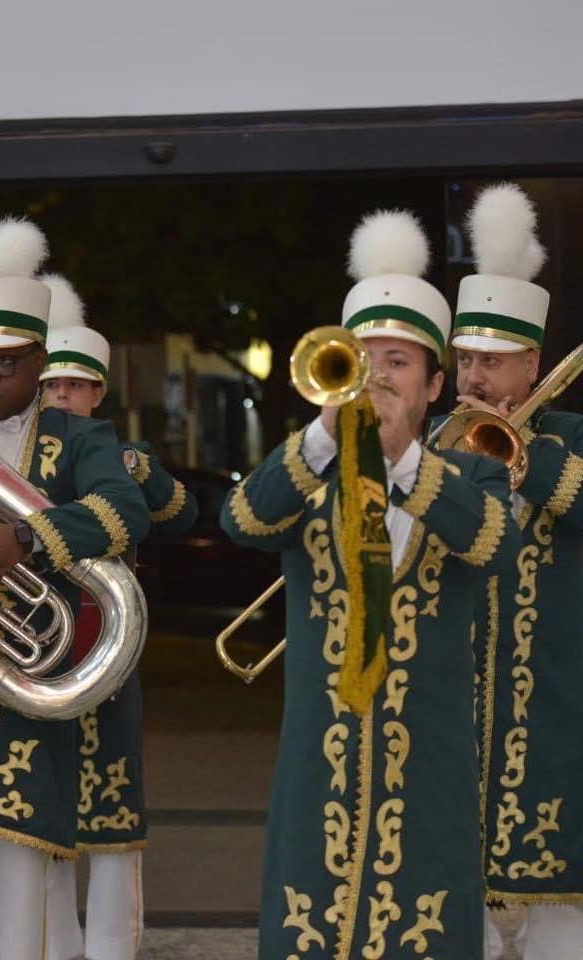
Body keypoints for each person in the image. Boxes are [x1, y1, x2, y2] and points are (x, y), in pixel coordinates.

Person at [220, 209, 520, 959]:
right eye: (365, 359)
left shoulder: (473, 472)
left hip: (429, 768)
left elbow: (495, 545)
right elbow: (242, 520)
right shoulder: (308, 471)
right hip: (319, 764)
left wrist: (405, 463)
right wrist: (327, 433)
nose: (379, 377)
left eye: (398, 363)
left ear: (434, 384)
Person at [0, 219, 150, 960]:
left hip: (27, 681)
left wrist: (27, 536)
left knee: (24, 875)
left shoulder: (79, 440)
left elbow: (124, 512)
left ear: (39, 362)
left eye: (5, 365)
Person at [37, 275, 198, 960]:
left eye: (74, 386)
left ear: (98, 394)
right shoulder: (26, 452)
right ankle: (51, 945)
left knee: (111, 794)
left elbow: (182, 513)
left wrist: (141, 471)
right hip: (38, 634)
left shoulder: (122, 454)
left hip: (106, 633)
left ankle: (112, 946)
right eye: (51, 385)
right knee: (41, 801)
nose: (61, 397)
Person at [448, 183, 583, 960]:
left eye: (493, 363)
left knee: (562, 914)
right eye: (466, 359)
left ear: (533, 363)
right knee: (450, 902)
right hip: (454, 703)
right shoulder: (436, 439)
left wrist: (528, 462)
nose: (475, 378)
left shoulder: (569, 434)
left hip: (555, 705)